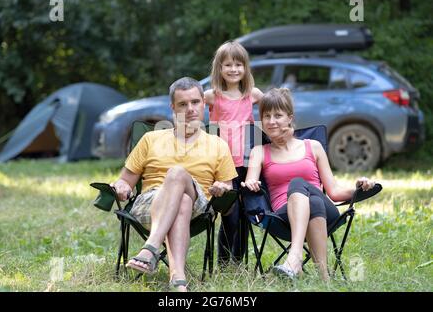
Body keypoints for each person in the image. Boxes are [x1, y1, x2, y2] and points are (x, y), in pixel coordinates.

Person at [111, 77, 237, 291]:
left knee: (178, 175)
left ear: (203, 104)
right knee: (182, 201)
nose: (190, 109)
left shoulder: (218, 145)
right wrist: (122, 185)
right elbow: (126, 179)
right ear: (172, 107)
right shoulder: (151, 139)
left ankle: (149, 248)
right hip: (150, 204)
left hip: (200, 206)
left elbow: (229, 193)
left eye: (195, 102)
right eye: (182, 104)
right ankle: (178, 279)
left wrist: (223, 188)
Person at [241, 88, 376, 280]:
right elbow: (249, 182)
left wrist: (359, 188)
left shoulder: (313, 146)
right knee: (313, 202)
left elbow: (335, 192)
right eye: (266, 116)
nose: (271, 121)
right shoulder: (259, 152)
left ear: (290, 118)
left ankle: (294, 258)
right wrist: (252, 182)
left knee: (299, 184)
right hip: (283, 216)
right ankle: (324, 278)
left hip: (327, 213)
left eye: (278, 115)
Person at [204, 40, 263, 266]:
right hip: (222, 164)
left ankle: (238, 260)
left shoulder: (253, 94)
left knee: (245, 214)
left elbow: (276, 107)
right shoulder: (212, 96)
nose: (233, 69)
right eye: (228, 65)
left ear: (245, 68)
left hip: (246, 163)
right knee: (230, 212)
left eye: (239, 64)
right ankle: (223, 260)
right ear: (219, 68)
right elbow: (186, 108)